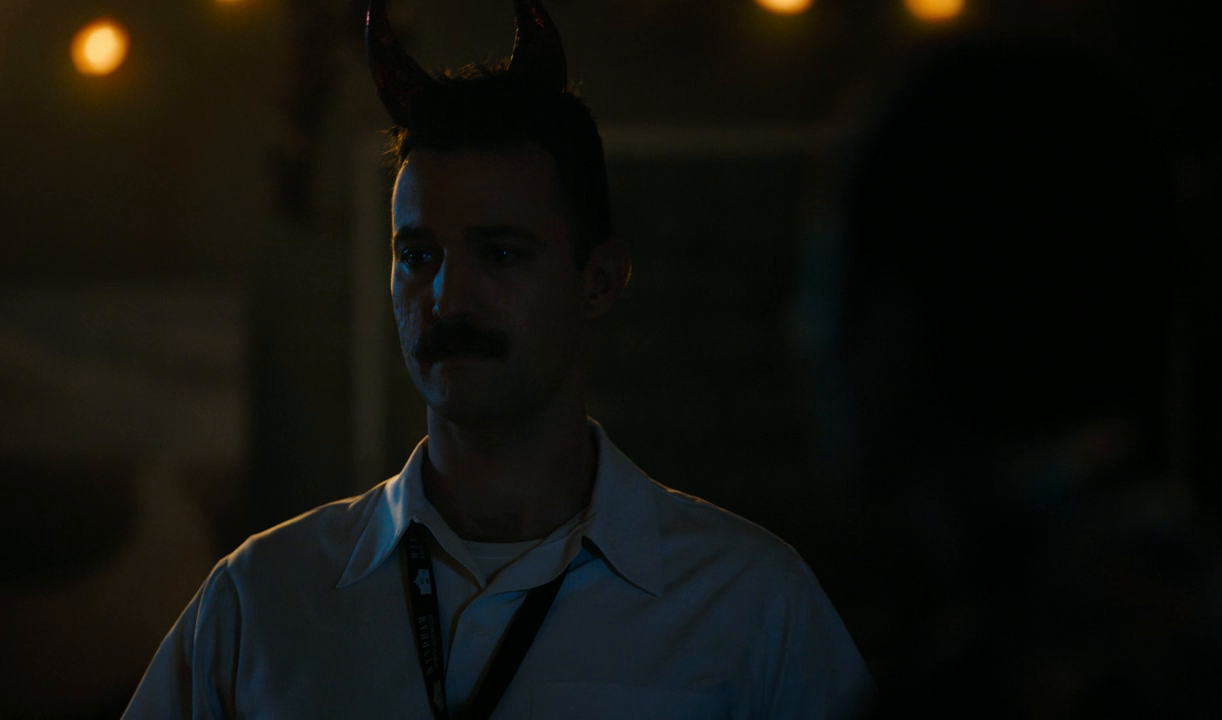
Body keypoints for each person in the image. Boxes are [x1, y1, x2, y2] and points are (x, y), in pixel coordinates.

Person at [125, 2, 870, 717]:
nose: (447, 298)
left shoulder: (747, 604)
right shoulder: (261, 599)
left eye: (502, 253)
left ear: (599, 281)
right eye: (417, 255)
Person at [799, 41, 1222, 716]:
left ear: (902, 311)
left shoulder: (1009, 680)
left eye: (823, 278)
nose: (805, 331)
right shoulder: (1218, 611)